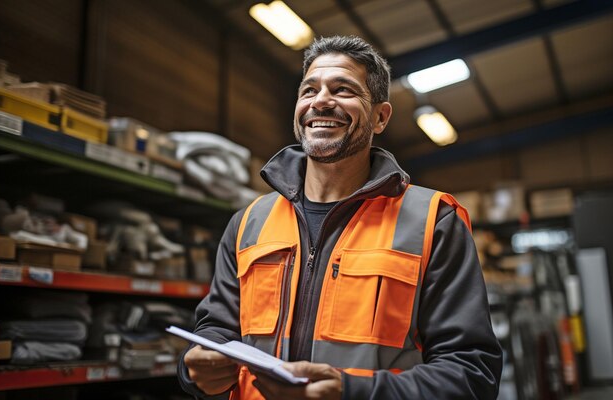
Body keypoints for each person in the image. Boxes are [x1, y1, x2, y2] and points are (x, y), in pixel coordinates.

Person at [178, 35, 502, 399]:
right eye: (309, 90)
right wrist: (196, 367)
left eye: (343, 89)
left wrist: (352, 392)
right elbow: (216, 329)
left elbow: (472, 373)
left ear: (380, 117)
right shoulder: (249, 222)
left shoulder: (433, 222)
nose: (321, 101)